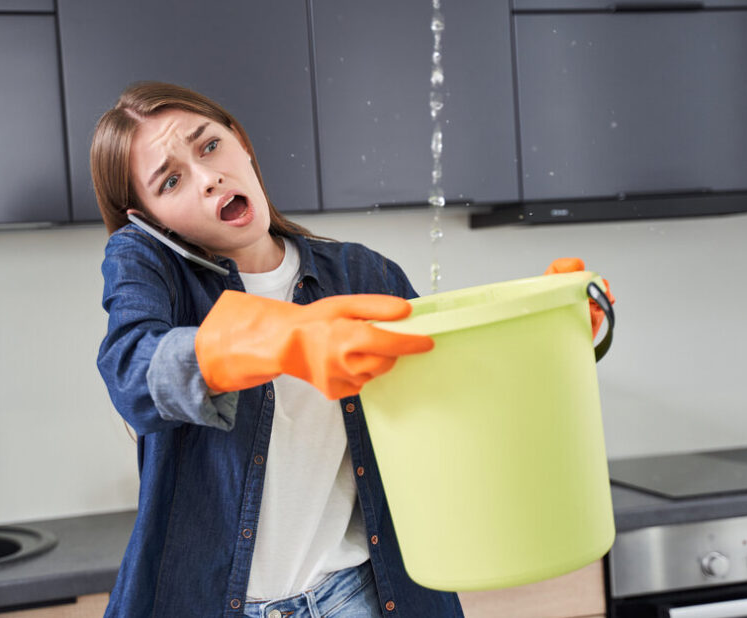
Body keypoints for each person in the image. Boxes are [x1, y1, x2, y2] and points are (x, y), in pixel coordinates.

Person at [93, 81, 612, 618]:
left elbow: (452, 394)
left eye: (209, 146)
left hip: (361, 597)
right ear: (149, 219)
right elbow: (132, 368)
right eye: (171, 180)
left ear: (241, 142)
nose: (208, 179)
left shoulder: (362, 274)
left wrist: (550, 327)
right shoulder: (147, 267)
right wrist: (285, 339)